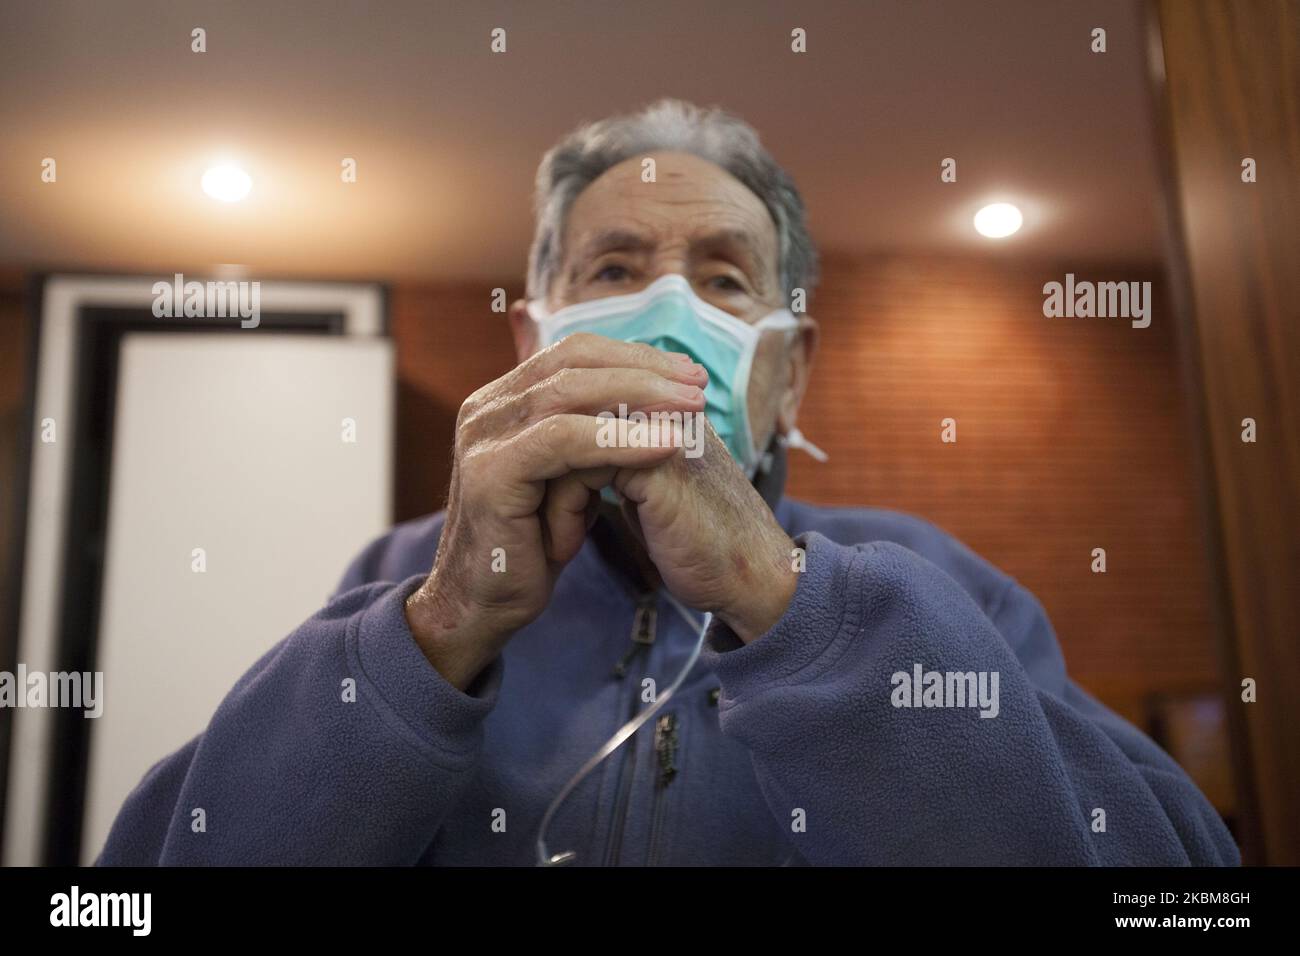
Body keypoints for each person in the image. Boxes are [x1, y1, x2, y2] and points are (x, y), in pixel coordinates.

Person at [98, 99, 1238, 866]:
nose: (668, 310)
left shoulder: (935, 588)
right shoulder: (400, 578)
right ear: (530, 340)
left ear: (792, 371)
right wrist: (438, 630)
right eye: (613, 267)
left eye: (725, 276)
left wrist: (789, 602)